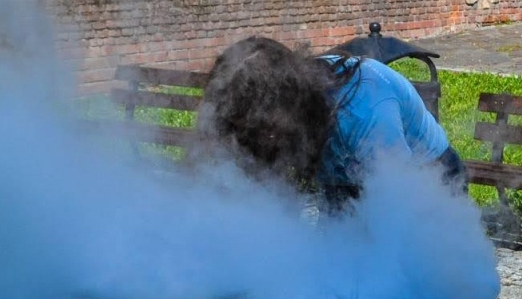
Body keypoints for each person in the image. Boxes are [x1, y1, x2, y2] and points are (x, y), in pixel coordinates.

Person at [199, 35, 465, 203]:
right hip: (340, 181)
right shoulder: (295, 104)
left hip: (426, 180)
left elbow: (401, 208)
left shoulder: (367, 109)